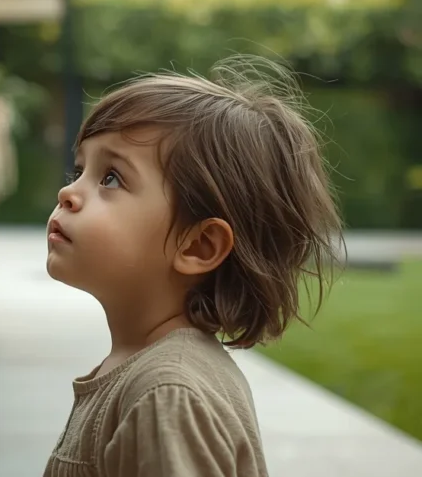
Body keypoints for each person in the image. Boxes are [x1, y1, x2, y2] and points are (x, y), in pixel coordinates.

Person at [43, 56, 342, 477]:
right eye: (80, 170)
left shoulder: (167, 394)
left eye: (110, 178)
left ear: (199, 246)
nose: (68, 192)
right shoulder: (145, 371)